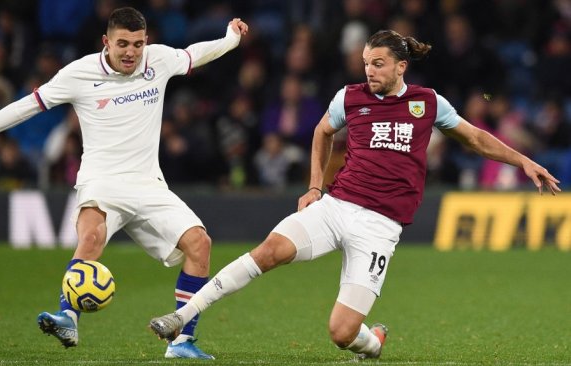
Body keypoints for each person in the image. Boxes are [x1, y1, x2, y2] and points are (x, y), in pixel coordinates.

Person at [148, 29, 561, 360]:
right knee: (270, 250)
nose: (370, 71)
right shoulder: (349, 97)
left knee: (342, 333)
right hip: (337, 206)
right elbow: (322, 132)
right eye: (366, 63)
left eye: (378, 64)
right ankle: (182, 317)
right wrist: (314, 187)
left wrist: (522, 161)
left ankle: (375, 342)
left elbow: (475, 138)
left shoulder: (427, 103)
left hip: (380, 227)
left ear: (401, 66)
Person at [0, 7, 248, 360]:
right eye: (123, 43)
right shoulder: (78, 73)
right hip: (102, 182)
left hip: (148, 183)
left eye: (138, 44)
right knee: (91, 237)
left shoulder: (158, 60)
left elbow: (196, 54)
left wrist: (230, 38)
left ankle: (182, 341)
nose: (131, 52)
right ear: (105, 41)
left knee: (199, 244)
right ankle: (68, 316)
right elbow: (25, 108)